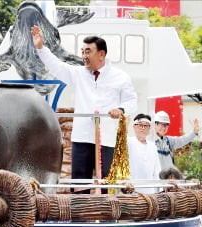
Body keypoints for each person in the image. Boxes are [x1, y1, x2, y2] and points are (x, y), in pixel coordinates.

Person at [31, 25, 137, 187]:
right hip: (82, 137)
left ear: (101, 54)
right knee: (80, 184)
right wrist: (40, 47)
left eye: (88, 51)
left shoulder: (121, 77)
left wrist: (121, 110)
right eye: (83, 51)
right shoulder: (79, 74)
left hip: (107, 138)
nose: (83, 56)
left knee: (107, 184)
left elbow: (131, 101)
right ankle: (79, 211)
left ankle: (107, 211)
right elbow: (57, 66)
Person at [127, 114, 161, 194]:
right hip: (132, 189)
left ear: (149, 129)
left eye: (146, 126)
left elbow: (157, 170)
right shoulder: (128, 141)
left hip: (150, 191)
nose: (143, 128)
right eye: (140, 125)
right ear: (134, 126)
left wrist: (159, 190)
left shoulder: (153, 146)